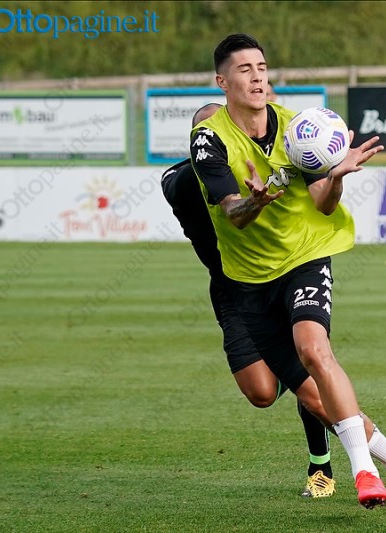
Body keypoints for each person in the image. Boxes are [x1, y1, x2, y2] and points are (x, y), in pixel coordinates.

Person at [189, 33, 386, 510]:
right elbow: (231, 211)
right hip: (249, 278)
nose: (257, 77)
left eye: (262, 67)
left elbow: (323, 204)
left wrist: (335, 177)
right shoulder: (209, 139)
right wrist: (253, 202)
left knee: (315, 349)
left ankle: (364, 473)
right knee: (314, 399)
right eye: (245, 70)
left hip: (305, 256)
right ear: (222, 81)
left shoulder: (300, 129)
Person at [162, 103, 336, 499]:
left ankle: (321, 466)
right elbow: (225, 203)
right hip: (233, 289)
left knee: (307, 372)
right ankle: (294, 370)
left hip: (281, 274)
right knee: (261, 393)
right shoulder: (179, 181)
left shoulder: (261, 160)